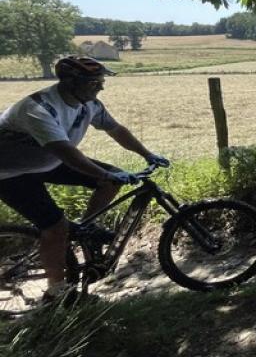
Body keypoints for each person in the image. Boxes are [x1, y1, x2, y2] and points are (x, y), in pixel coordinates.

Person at [0, 56, 169, 302]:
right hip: (9, 172)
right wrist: (106, 173)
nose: (100, 87)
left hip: (46, 161)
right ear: (70, 82)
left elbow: (116, 130)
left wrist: (148, 154)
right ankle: (57, 292)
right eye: (93, 82)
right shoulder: (39, 108)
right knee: (55, 227)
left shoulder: (89, 104)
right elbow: (67, 153)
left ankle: (85, 231)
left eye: (101, 81)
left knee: (110, 182)